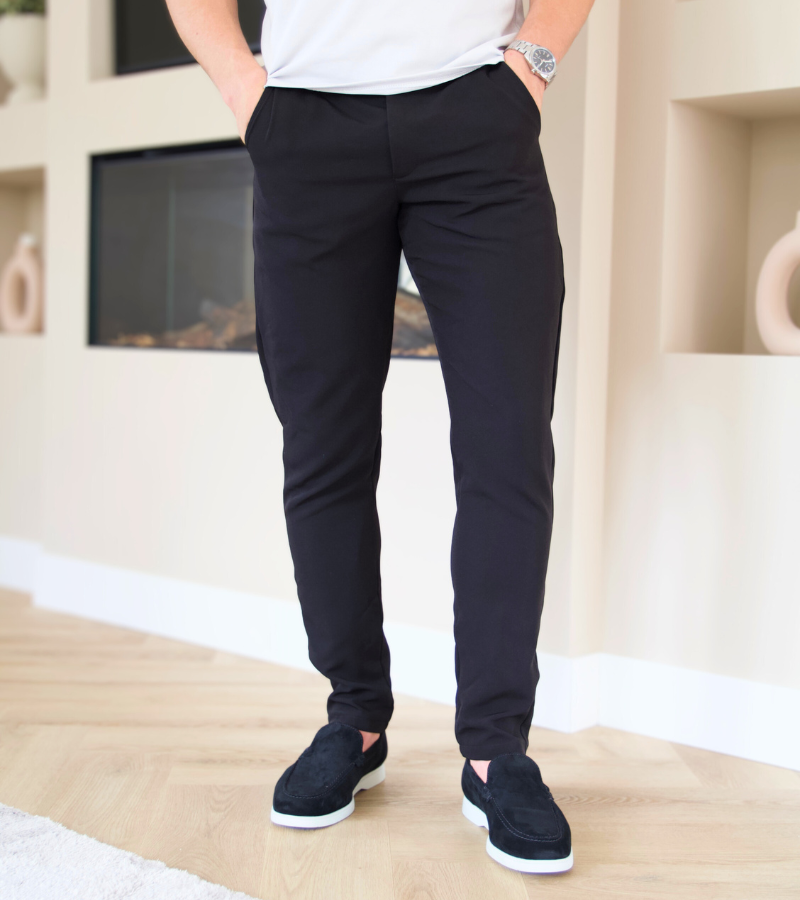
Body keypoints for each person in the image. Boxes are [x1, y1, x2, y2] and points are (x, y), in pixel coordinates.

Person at [165, 0, 595, 874]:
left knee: (509, 446)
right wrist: (246, 90)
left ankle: (495, 748)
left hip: (478, 115)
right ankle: (354, 717)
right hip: (305, 127)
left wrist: (532, 66)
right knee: (323, 449)